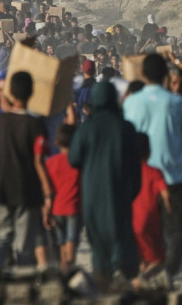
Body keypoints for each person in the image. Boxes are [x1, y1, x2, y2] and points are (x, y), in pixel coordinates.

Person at [69, 78, 141, 289]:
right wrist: (133, 190)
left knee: (97, 237)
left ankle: (102, 278)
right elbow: (136, 163)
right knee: (122, 233)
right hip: (121, 189)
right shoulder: (125, 128)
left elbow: (73, 158)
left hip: (93, 192)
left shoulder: (87, 128)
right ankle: (125, 276)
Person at [0, 71, 53, 278]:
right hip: (28, 191)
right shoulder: (35, 125)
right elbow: (39, 162)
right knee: (24, 244)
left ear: (10, 92)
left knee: (0, 239)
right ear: (31, 93)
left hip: (2, 188)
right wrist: (48, 192)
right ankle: (22, 285)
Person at [123, 54, 182, 283]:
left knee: (143, 229)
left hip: (141, 179)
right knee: (174, 231)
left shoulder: (131, 103)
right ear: (166, 75)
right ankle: (167, 272)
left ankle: (148, 270)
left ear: (142, 74)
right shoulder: (176, 103)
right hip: (172, 178)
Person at [45, 124, 82, 274]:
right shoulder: (78, 162)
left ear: (57, 143)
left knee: (61, 242)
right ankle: (70, 266)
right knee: (72, 239)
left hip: (56, 208)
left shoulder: (50, 162)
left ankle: (64, 269)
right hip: (74, 206)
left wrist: (46, 210)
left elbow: (48, 188)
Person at [133, 133, 171, 277]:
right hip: (150, 223)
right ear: (149, 152)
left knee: (142, 259)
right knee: (159, 260)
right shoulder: (155, 172)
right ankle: (143, 280)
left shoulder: (127, 172)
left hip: (131, 223)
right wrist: (170, 210)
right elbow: (165, 194)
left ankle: (140, 282)